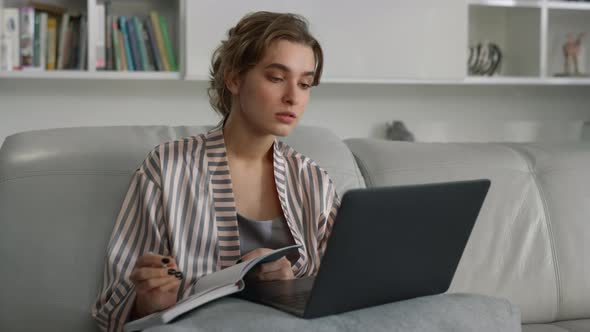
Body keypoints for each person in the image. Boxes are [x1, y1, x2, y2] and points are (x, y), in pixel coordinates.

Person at [92, 11, 340, 332]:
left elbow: (338, 294)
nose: (294, 97)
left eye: (305, 83)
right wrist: (149, 301)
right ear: (234, 78)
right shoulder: (167, 168)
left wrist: (288, 285)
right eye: (277, 78)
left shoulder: (314, 181)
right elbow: (112, 306)